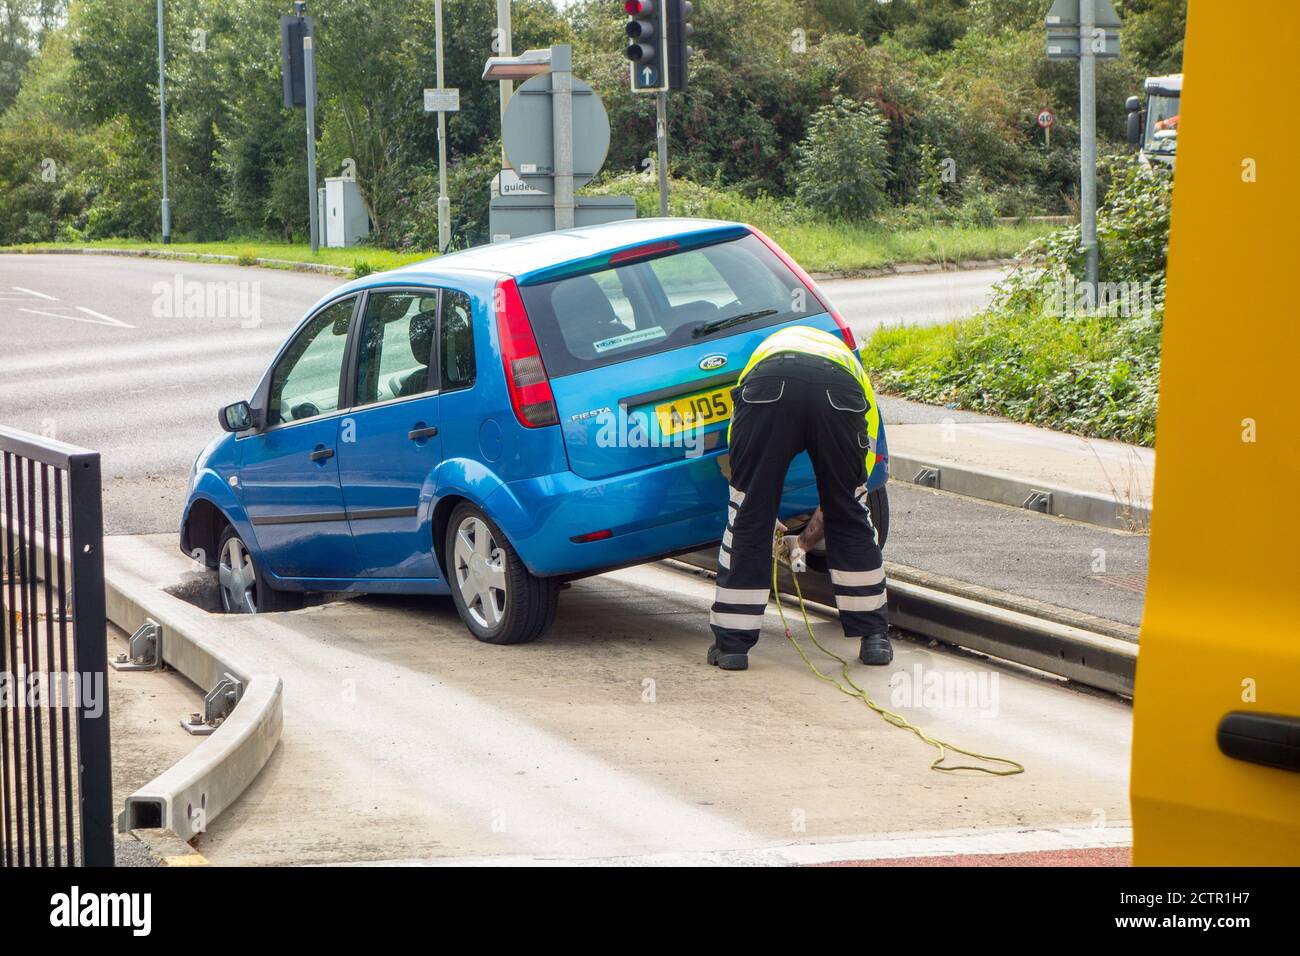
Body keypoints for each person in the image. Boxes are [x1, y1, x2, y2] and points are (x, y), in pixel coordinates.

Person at [708, 325, 889, 671]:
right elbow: (857, 479)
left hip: (768, 389)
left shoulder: (760, 359)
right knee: (850, 511)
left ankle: (732, 647)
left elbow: (739, 451)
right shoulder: (851, 369)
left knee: (747, 512)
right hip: (838, 393)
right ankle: (874, 639)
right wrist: (837, 508)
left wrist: (753, 498)